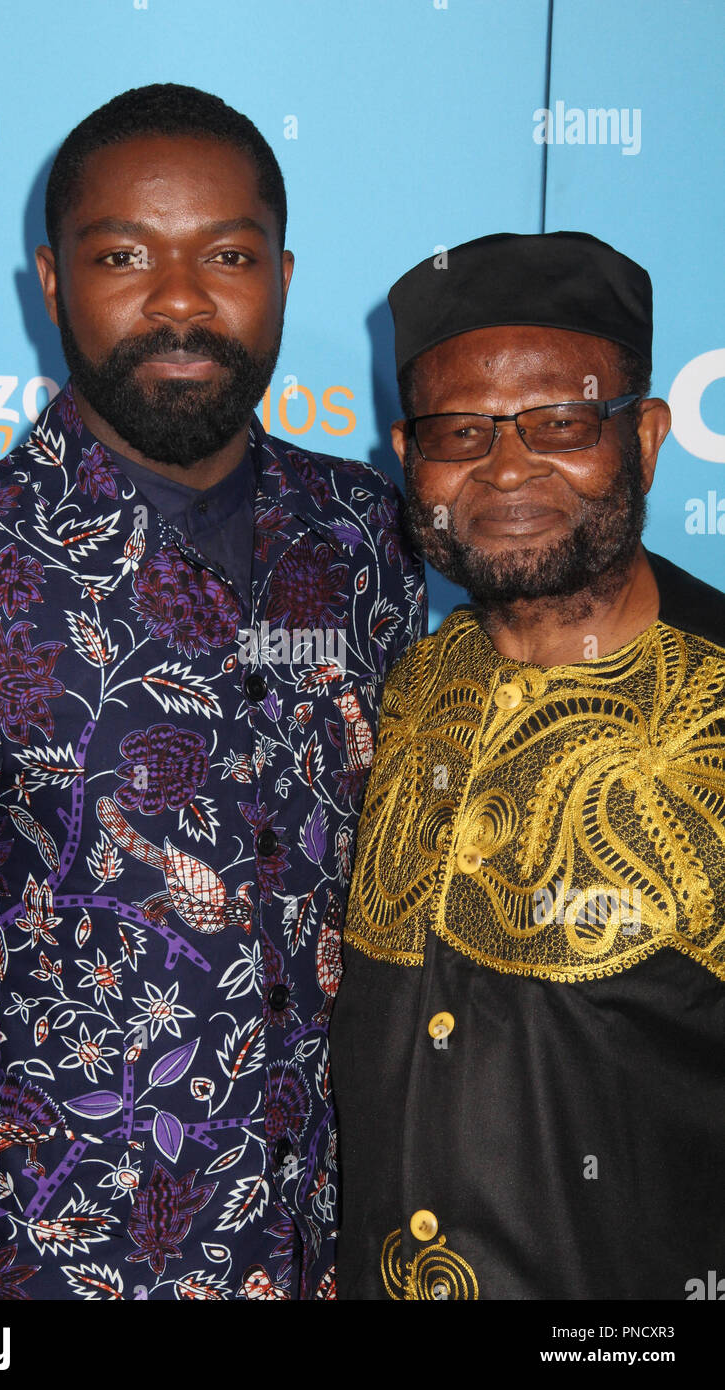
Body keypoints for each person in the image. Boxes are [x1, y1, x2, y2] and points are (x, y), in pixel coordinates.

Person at [0, 84, 425, 1301]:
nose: (179, 299)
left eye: (225, 254)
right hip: (65, 1273)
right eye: (123, 256)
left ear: (280, 273)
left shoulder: (365, 536)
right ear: (52, 284)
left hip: (344, 1251)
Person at [330, 232, 725, 1300]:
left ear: (641, 438)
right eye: (460, 432)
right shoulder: (404, 687)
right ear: (409, 457)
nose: (505, 468)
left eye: (559, 421)